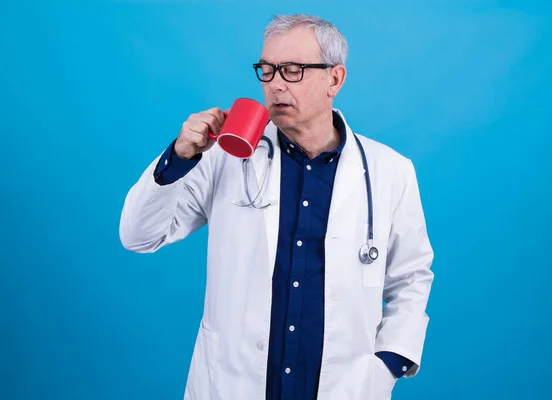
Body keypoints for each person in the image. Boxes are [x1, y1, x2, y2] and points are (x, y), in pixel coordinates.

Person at [119, 13, 434, 400]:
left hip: (344, 388)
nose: (275, 85)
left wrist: (388, 363)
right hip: (233, 384)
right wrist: (182, 155)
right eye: (266, 71)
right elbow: (138, 235)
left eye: (292, 70)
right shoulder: (223, 156)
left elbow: (412, 276)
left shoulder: (390, 171)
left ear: (335, 79)